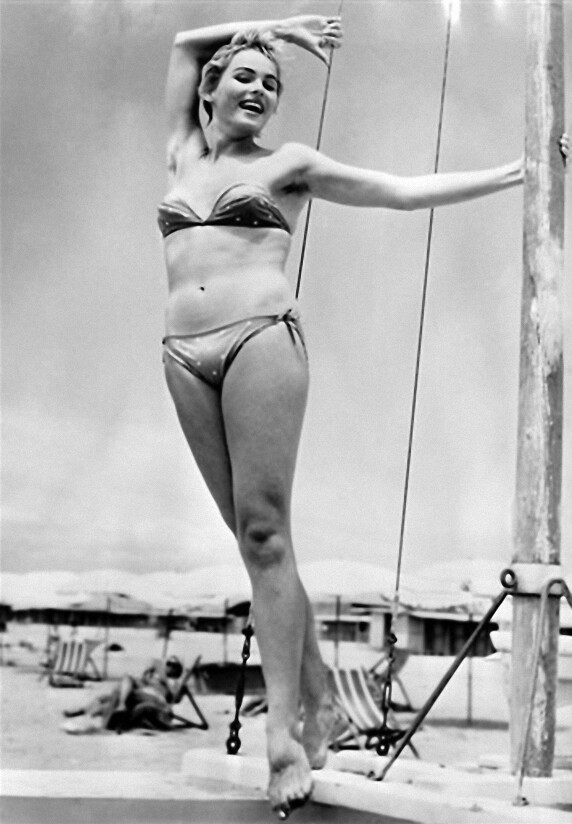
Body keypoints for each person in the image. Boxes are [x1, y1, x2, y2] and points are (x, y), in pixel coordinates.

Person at [160, 14, 569, 817]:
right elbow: (183, 44)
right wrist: (282, 29)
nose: (261, 90)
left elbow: (402, 193)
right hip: (181, 356)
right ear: (211, 88)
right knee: (253, 542)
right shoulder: (180, 152)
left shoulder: (289, 164)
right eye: (246, 76)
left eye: (273, 84)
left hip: (258, 341)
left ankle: (284, 735)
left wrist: (515, 172)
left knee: (265, 534)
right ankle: (320, 706)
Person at [62, 655, 200, 733]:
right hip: (141, 695)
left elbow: (174, 699)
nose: (169, 666)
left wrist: (168, 684)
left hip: (155, 701)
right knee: (113, 692)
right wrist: (147, 674)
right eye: (168, 663)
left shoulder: (173, 682)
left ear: (178, 670)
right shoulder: (156, 677)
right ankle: (85, 712)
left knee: (118, 694)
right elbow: (144, 679)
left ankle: (93, 720)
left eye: (173, 665)